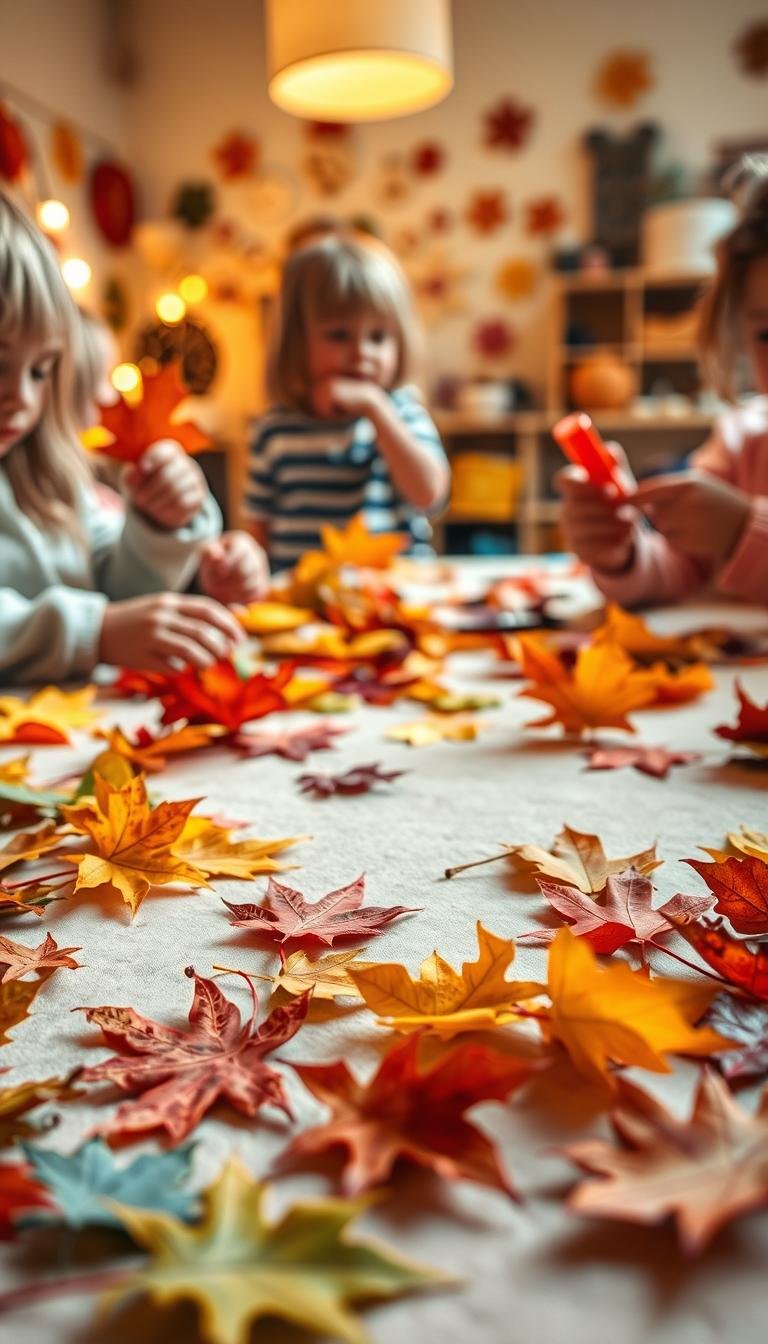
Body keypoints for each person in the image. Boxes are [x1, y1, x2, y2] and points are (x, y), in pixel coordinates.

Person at [0, 190, 251, 683]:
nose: (23, 399)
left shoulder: (49, 478)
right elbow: (106, 622)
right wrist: (96, 632)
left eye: (41, 370)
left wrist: (159, 524)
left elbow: (121, 591)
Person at [557, 154, 768, 607]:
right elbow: (677, 569)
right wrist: (623, 555)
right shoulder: (740, 440)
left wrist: (744, 530)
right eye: (767, 333)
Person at [245, 232, 450, 570]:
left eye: (378, 337)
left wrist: (376, 409)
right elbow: (258, 532)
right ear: (297, 341)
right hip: (304, 610)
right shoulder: (273, 430)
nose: (362, 353)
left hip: (393, 603)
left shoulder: (401, 413)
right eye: (339, 335)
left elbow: (430, 495)